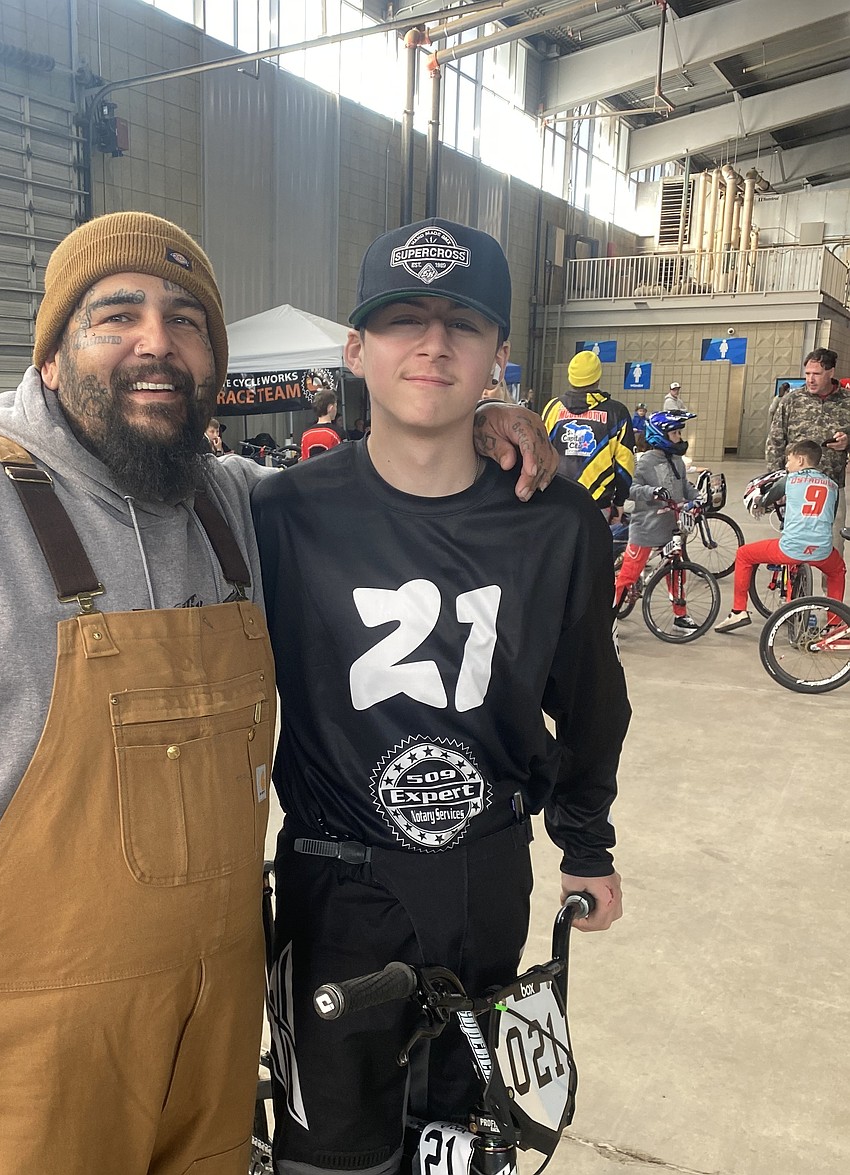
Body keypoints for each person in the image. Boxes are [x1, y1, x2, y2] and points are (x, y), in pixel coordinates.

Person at [0, 211, 554, 1174]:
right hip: (11, 1055)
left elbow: (372, 489)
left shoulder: (235, 506)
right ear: (57, 351)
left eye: (187, 320)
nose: (157, 341)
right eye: (117, 314)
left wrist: (460, 424)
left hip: (212, 1032)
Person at [251, 217, 628, 1175]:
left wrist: (586, 843)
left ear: (500, 353)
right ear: (355, 349)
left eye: (462, 322)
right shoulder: (277, 512)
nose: (432, 344)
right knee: (329, 1154)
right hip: (335, 889)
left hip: (488, 881)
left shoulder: (558, 521)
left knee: (473, 1150)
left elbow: (591, 696)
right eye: (401, 319)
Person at [716, 439, 846, 633]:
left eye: (789, 460)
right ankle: (834, 624)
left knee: (744, 554)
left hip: (791, 548)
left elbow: (768, 499)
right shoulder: (833, 486)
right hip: (822, 550)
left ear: (801, 460)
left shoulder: (789, 480)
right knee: (837, 571)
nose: (787, 465)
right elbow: (830, 515)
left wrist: (760, 502)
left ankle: (738, 611)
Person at [613, 411, 700, 628]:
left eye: (680, 432)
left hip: (672, 527)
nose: (679, 437)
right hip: (646, 529)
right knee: (628, 575)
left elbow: (683, 487)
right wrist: (652, 492)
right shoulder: (644, 462)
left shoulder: (677, 461)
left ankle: (680, 615)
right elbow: (629, 489)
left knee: (677, 573)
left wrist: (697, 498)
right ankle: (607, 614)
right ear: (661, 435)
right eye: (674, 433)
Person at [765, 348, 850, 561]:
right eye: (807, 374)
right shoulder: (792, 401)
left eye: (817, 374)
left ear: (831, 372)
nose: (810, 379)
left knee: (832, 549)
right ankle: (793, 592)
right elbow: (775, 442)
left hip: (832, 488)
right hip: (795, 488)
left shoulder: (847, 402)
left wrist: (847, 442)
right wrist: (777, 482)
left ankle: (827, 595)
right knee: (792, 548)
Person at [542, 350, 635, 517]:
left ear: (570, 377)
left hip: (556, 501)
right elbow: (625, 464)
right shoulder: (617, 413)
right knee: (593, 544)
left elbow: (540, 453)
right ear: (597, 377)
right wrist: (620, 501)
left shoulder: (553, 408)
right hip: (597, 504)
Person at [300, 389, 344, 459]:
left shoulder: (306, 435)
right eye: (335, 406)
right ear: (330, 408)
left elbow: (304, 461)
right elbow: (342, 459)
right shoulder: (337, 433)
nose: (336, 409)